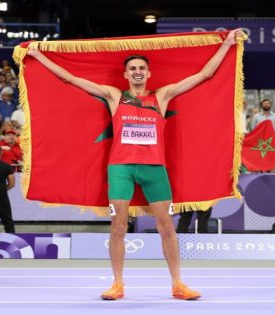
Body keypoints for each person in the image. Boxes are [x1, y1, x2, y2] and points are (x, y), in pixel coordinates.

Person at [26, 28, 244, 301]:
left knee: (166, 226)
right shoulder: (114, 96)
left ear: (149, 73)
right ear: (126, 74)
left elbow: (204, 75)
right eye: (133, 68)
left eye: (142, 67)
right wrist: (37, 54)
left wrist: (226, 44)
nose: (138, 71)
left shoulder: (162, 96)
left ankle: (178, 284)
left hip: (155, 169)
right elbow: (70, 78)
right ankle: (117, 284)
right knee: (118, 224)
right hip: (121, 168)